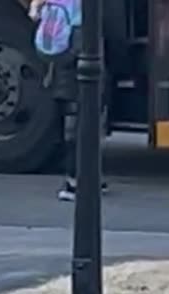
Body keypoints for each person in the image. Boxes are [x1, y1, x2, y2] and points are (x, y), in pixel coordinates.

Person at [31, 0, 125, 201]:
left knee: (72, 116)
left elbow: (36, 13)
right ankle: (78, 178)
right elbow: (116, 29)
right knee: (87, 117)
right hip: (83, 43)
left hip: (62, 49)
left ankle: (77, 177)